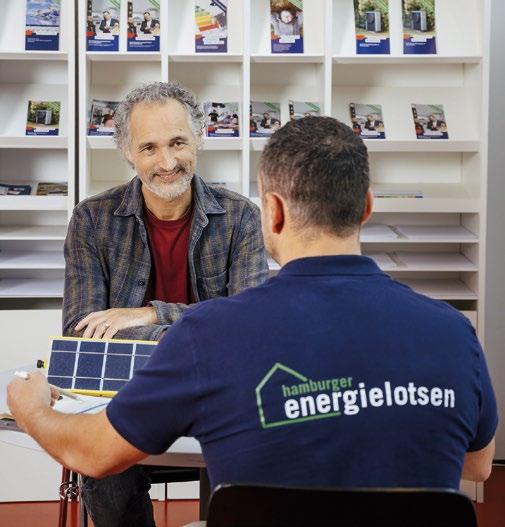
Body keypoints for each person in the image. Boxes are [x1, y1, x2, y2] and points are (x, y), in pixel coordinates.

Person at [8, 117, 497, 522]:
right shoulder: (454, 332)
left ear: (273, 212)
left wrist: (31, 406)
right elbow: (477, 466)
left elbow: (92, 454)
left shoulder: (209, 335)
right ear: (367, 207)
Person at [60, 81, 268, 526]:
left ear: (199, 138)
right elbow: (81, 333)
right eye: (149, 148)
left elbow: (251, 326)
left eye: (177, 142)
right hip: (129, 393)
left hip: (217, 392)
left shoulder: (241, 217)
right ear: (127, 152)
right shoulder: (91, 219)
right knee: (103, 465)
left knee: (259, 450)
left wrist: (151, 313)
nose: (168, 162)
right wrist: (203, 329)